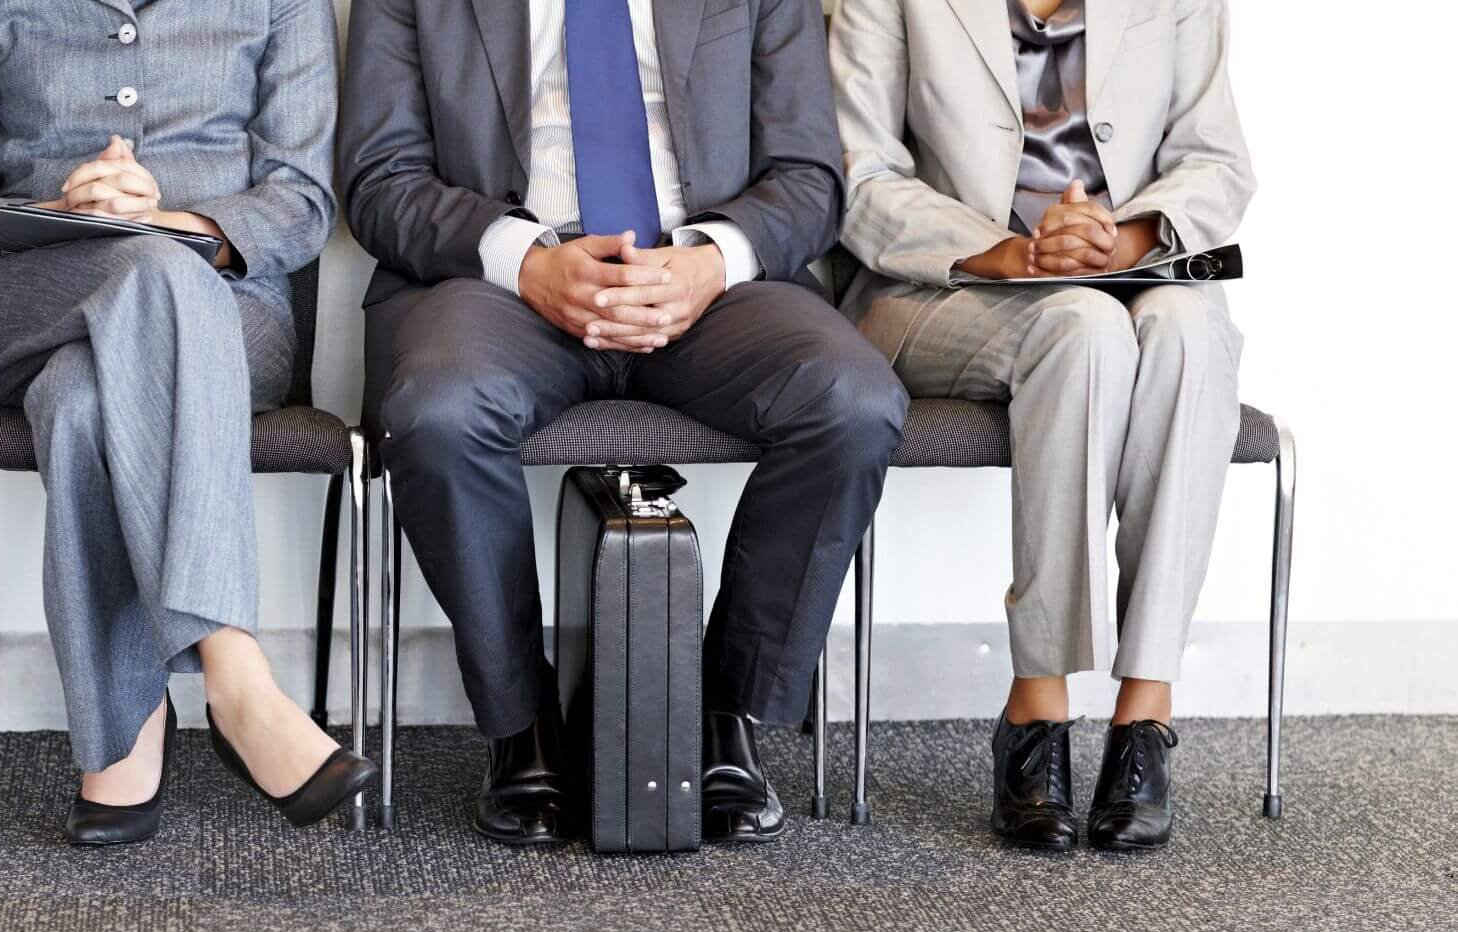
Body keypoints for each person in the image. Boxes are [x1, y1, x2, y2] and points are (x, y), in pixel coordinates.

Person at [340, 0, 907, 849]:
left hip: (707, 286)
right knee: (440, 409)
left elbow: (809, 178)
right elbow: (380, 181)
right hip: (497, 285)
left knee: (853, 402)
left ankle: (721, 709)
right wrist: (524, 263)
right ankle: (521, 726)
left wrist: (711, 261)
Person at [0, 0, 375, 845]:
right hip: (30, 300)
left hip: (231, 318)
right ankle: (234, 674)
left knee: (86, 397)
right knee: (153, 278)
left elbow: (304, 203)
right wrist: (68, 209)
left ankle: (119, 734)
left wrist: (162, 226)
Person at [829, 0, 1255, 852]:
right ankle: (1037, 703)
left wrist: (1125, 237)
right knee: (1082, 328)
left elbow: (1217, 162)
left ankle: (1145, 710)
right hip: (946, 287)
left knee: (1189, 335)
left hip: (1129, 269)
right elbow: (860, 176)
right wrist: (1011, 251)